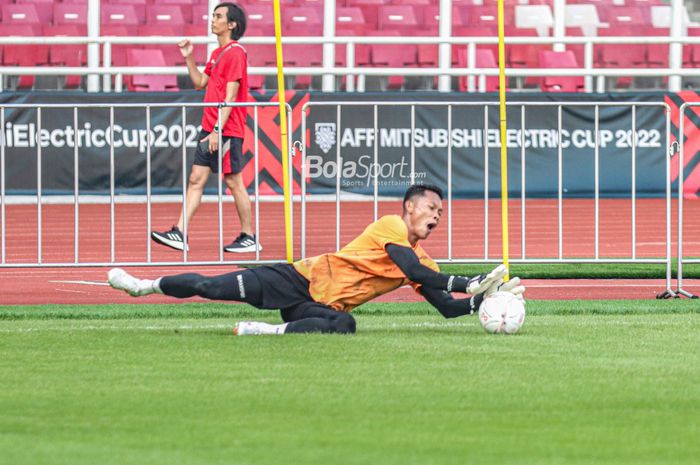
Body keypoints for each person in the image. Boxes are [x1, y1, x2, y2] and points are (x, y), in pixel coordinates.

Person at [110, 184, 525, 335]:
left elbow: (447, 310)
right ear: (408, 208)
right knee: (209, 287)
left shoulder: (425, 261)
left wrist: (486, 301)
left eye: (441, 212)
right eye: (431, 207)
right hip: (295, 279)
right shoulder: (390, 226)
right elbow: (414, 272)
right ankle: (143, 286)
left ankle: (266, 331)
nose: (436, 215)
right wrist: (470, 280)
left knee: (344, 324)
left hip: (319, 304)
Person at [151, 2, 261, 254]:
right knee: (195, 180)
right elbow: (201, 82)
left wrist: (217, 131)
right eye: (213, 15)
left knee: (233, 182)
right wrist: (189, 57)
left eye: (219, 16)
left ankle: (249, 236)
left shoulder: (235, 52)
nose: (213, 20)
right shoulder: (218, 53)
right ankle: (179, 232)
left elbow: (231, 96)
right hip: (211, 126)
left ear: (232, 24)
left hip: (225, 129)